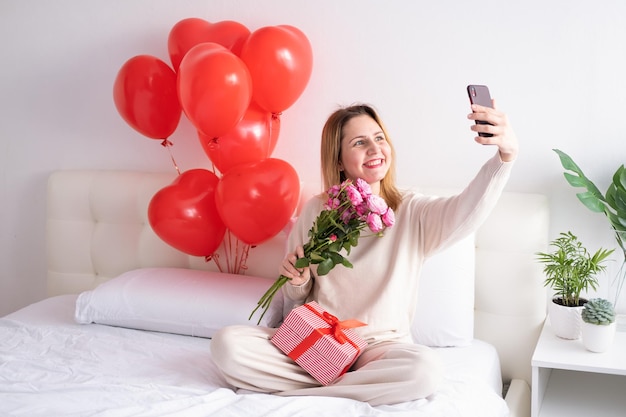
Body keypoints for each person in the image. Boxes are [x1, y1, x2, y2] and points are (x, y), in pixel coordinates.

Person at [211, 100, 518, 406]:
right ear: (340, 160)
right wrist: (296, 282)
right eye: (360, 142)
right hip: (319, 343)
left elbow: (467, 210)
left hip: (380, 351)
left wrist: (504, 157)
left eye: (379, 138)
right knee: (227, 345)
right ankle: (350, 384)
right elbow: (296, 303)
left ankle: (311, 393)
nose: (374, 148)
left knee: (425, 370)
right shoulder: (317, 210)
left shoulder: (412, 210)